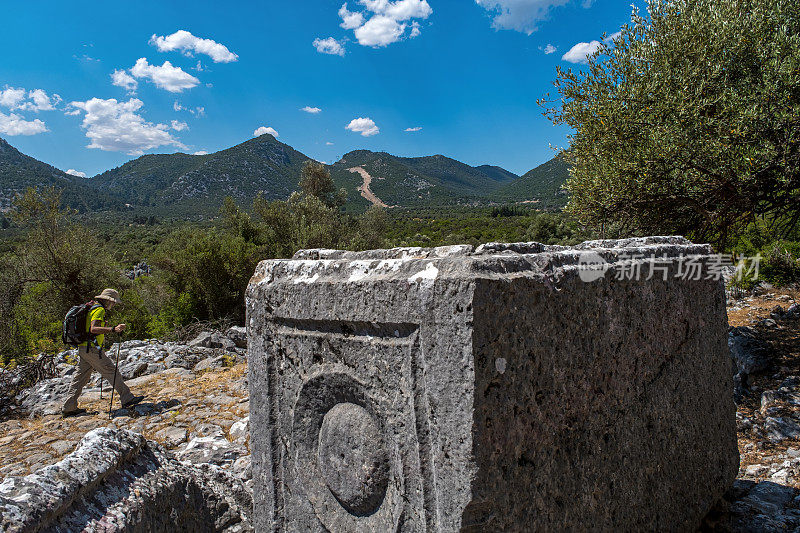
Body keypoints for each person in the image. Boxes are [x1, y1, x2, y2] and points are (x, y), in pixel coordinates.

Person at [62, 289, 144, 416]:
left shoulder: (92, 307)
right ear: (108, 300)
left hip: (84, 348)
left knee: (80, 378)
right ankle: (127, 399)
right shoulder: (99, 309)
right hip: (92, 349)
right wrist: (113, 329)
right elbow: (93, 329)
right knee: (112, 371)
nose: (114, 305)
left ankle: (69, 407)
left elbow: (90, 327)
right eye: (113, 302)